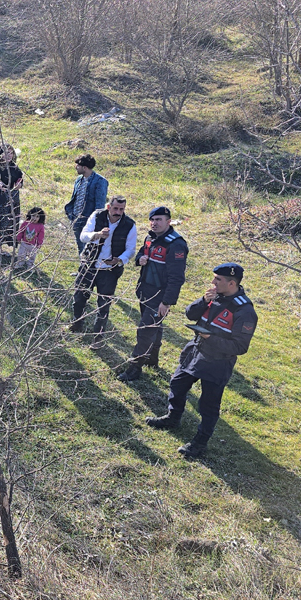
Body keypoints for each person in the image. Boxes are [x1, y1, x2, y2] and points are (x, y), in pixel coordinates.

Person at [145, 263, 257, 459]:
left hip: (217, 363)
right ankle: (173, 418)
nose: (212, 282)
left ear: (232, 283)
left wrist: (210, 338)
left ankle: (200, 443)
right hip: (195, 352)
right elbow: (190, 314)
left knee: (208, 404)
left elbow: (240, 347)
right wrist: (203, 301)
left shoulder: (245, 311)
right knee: (177, 384)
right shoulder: (213, 297)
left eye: (217, 280)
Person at [118, 207, 188, 381]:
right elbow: (142, 252)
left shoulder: (176, 244)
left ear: (168, 221)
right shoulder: (150, 238)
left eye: (159, 219)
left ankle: (134, 368)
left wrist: (167, 302)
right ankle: (152, 359)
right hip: (145, 291)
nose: (155, 223)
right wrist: (139, 259)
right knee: (154, 327)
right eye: (153, 219)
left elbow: (176, 278)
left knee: (145, 330)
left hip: (159, 296)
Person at [71, 195, 137, 347]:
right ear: (109, 207)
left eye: (121, 209)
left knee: (104, 305)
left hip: (109, 270)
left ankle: (98, 337)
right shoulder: (97, 216)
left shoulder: (129, 224)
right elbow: (83, 236)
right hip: (89, 264)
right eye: (115, 208)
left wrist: (119, 260)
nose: (118, 212)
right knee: (79, 297)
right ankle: (76, 324)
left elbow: (131, 249)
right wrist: (98, 235)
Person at [63, 153, 108, 252]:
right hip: (76, 219)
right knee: (80, 246)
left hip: (88, 220)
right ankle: (83, 266)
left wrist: (96, 221)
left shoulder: (100, 181)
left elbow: (100, 205)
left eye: (78, 165)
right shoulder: (79, 180)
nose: (76, 167)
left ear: (85, 167)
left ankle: (88, 267)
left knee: (89, 248)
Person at [0, 143, 24, 247]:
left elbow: (20, 180)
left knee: (11, 222)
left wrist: (19, 184)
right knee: (0, 223)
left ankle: (6, 245)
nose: (9, 155)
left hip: (13, 198)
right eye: (6, 153)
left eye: (11, 153)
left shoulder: (14, 167)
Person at [13, 207, 46, 271]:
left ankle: (30, 265)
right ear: (30, 215)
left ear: (40, 218)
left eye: (37, 216)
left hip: (33, 245)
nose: (34, 218)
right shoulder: (26, 223)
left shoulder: (40, 226)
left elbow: (41, 236)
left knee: (32, 256)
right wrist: (18, 238)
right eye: (33, 215)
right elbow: (21, 231)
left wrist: (39, 243)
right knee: (21, 254)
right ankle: (20, 263)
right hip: (24, 243)